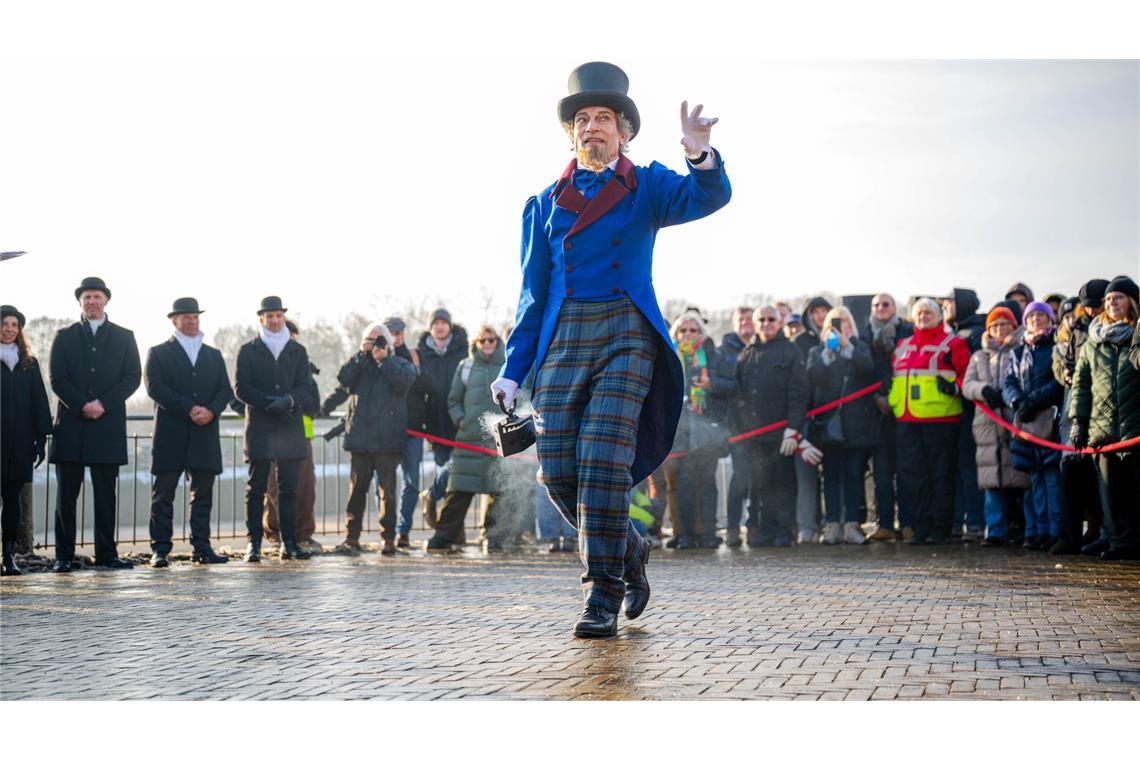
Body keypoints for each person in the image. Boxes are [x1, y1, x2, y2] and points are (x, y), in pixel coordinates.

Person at [490, 61, 731, 638]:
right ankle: (629, 546)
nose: (592, 127)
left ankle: (601, 593)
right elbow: (533, 292)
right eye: (582, 120)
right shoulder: (543, 204)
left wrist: (700, 156)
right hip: (563, 339)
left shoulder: (647, 185)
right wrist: (512, 369)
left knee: (602, 461)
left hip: (626, 332)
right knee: (558, 476)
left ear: (624, 131)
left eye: (603, 118)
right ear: (572, 134)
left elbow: (710, 197)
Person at [49, 277, 141, 571]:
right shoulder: (63, 336)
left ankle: (106, 554)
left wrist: (103, 404)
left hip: (107, 424)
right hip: (71, 426)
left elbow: (132, 377)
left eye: (96, 297)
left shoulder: (125, 336)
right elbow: (57, 379)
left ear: (106, 300)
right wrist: (82, 405)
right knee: (66, 497)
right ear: (80, 301)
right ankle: (63, 556)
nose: (91, 301)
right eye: (86, 297)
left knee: (105, 496)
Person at [144, 298, 234, 567]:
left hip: (205, 433)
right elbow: (155, 388)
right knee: (163, 497)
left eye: (195, 317)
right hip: (171, 433)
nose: (192, 321)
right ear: (175, 321)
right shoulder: (158, 352)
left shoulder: (213, 355)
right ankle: (160, 549)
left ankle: (202, 547)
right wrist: (189, 408)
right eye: (186, 317)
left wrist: (210, 411)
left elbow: (225, 390)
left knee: (203, 496)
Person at [324, 322, 416, 556]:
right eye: (369, 339)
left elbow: (404, 384)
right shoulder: (359, 365)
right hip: (360, 440)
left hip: (387, 441)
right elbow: (344, 380)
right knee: (356, 492)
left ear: (389, 342)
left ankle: (388, 539)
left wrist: (384, 359)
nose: (374, 344)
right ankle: (351, 538)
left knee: (388, 493)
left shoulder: (399, 363)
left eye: (379, 339)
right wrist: (361, 355)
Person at [234, 296, 315, 562]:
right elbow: (241, 387)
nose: (275, 319)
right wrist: (268, 404)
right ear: (262, 319)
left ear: (283, 317)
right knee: (256, 488)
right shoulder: (248, 350)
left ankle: (289, 542)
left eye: (279, 315)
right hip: (261, 425)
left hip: (290, 425)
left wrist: (288, 401)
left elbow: (304, 385)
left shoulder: (298, 351)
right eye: (270, 316)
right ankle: (253, 543)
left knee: (289, 488)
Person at [888, 298, 970, 544]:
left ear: (939, 316)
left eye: (928, 313)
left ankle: (940, 529)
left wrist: (954, 388)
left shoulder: (952, 344)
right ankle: (920, 528)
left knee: (940, 476)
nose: (923, 317)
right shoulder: (903, 345)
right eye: (919, 313)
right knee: (913, 476)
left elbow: (966, 376)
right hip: (907, 419)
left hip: (941, 420)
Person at [1071, 275, 1140, 560]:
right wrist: (1078, 421)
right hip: (1102, 429)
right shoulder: (1091, 343)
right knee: (1110, 492)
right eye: (1109, 299)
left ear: (1132, 302)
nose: (1112, 302)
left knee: (1135, 488)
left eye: (1119, 297)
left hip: (1134, 426)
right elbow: (1080, 386)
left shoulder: (1137, 337)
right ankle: (1118, 542)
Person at [425, 325, 509, 552]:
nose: (488, 344)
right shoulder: (466, 366)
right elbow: (453, 400)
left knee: (499, 491)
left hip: (498, 440)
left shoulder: (508, 365)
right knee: (458, 491)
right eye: (483, 341)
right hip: (468, 439)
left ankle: (495, 538)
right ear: (477, 343)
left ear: (497, 341)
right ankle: (444, 536)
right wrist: (461, 420)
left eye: (491, 340)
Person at [735, 305, 810, 547]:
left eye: (771, 319)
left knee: (784, 484)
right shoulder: (747, 353)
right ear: (755, 324)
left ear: (779, 323)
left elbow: (799, 393)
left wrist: (794, 429)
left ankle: (784, 531)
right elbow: (740, 396)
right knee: (761, 485)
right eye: (762, 319)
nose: (766, 323)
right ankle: (766, 529)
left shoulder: (791, 351)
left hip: (782, 434)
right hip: (754, 436)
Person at [806, 306, 878, 545]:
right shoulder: (818, 351)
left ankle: (852, 524)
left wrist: (847, 346)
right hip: (829, 427)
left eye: (844, 323)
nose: (840, 328)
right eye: (834, 324)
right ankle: (832, 524)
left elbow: (868, 368)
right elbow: (812, 378)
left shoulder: (859, 347)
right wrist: (829, 351)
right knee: (831, 477)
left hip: (856, 426)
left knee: (853, 475)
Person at [962, 305, 1028, 546]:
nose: (999, 329)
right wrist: (983, 390)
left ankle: (1022, 526)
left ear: (1014, 326)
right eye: (994, 325)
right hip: (987, 424)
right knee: (991, 476)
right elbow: (967, 385)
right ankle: (996, 528)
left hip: (1015, 420)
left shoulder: (1020, 350)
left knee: (1019, 474)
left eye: (1004, 324)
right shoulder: (979, 356)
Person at [1004, 301, 1064, 549]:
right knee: (1035, 480)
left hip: (1049, 421)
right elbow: (1008, 382)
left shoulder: (1056, 348)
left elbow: (1058, 381)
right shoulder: (1017, 352)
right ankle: (1039, 530)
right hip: (1026, 423)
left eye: (1041, 315)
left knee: (1052, 479)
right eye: (1031, 316)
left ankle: (1056, 530)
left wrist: (1034, 400)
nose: (1036, 320)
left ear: (1050, 320)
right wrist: (1018, 401)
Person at [1054, 280, 1109, 555]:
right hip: (1072, 405)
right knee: (1070, 473)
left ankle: (1101, 532)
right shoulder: (1073, 328)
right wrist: (1062, 372)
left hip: (1099, 409)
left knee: (1097, 477)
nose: (1090, 311)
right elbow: (1060, 360)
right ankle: (1069, 535)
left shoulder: (1104, 328)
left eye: (1095, 306)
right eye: (1085, 307)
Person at [666, 310, 725, 549]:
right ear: (676, 334)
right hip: (679, 431)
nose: (688, 334)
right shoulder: (669, 357)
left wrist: (712, 384)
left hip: (706, 430)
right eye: (683, 330)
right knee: (682, 486)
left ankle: (709, 533)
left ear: (701, 333)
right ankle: (686, 535)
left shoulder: (712, 355)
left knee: (708, 484)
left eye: (693, 330)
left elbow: (731, 385)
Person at [261, 320, 321, 553]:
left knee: (306, 487)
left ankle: (304, 533)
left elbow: (315, 405)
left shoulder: (304, 369)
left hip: (301, 436)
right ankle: (275, 533)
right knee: (273, 487)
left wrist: (294, 401)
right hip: (271, 436)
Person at [1, 305, 51, 575]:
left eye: (14, 324)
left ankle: (8, 557)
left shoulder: (28, 363)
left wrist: (40, 439)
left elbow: (39, 403)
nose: (9, 329)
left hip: (19, 444)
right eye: (4, 323)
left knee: (12, 503)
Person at [861, 292, 913, 540]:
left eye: (885, 304)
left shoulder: (907, 331)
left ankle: (908, 522)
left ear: (894, 307)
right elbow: (863, 371)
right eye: (876, 305)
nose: (880, 308)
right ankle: (884, 524)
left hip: (904, 410)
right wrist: (876, 397)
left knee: (905, 470)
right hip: (876, 414)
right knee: (881, 474)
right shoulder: (864, 335)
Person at [941, 287, 986, 541]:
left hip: (970, 411)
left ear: (962, 303)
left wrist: (957, 387)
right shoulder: (954, 332)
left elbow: (975, 372)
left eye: (949, 302)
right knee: (955, 469)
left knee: (969, 469)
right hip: (951, 412)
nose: (945, 306)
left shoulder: (976, 332)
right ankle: (957, 521)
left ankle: (974, 522)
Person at [416, 307, 468, 528]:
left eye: (443, 323)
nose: (440, 326)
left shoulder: (462, 349)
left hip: (459, 421)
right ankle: (450, 527)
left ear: (450, 325)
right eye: (435, 323)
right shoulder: (421, 353)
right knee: (445, 472)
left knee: (457, 474)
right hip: (435, 425)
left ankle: (431, 496)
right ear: (430, 327)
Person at [708, 305, 754, 547]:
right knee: (740, 476)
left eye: (750, 319)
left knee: (760, 476)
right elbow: (713, 383)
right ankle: (734, 526)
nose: (747, 323)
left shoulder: (761, 347)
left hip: (761, 423)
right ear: (734, 324)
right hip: (735, 424)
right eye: (741, 319)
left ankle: (755, 524)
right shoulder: (722, 351)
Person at [385, 315, 433, 549]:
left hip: (413, 429)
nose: (396, 337)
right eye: (391, 333)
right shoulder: (378, 357)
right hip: (386, 432)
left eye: (399, 333)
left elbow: (428, 387)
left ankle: (403, 531)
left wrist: (415, 370)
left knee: (411, 482)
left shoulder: (414, 355)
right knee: (383, 485)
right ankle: (388, 530)